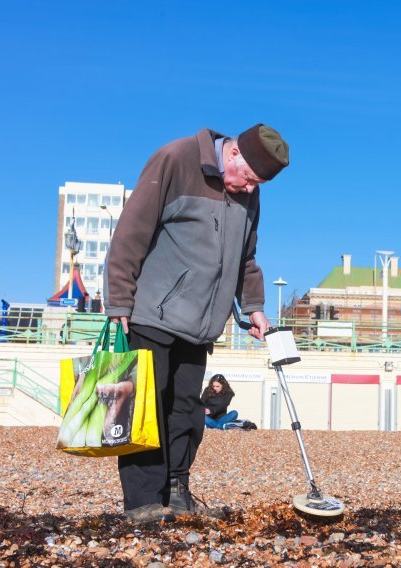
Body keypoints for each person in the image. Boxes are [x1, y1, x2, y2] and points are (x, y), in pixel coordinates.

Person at [104, 125, 289, 523]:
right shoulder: (175, 159)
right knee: (147, 410)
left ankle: (176, 489)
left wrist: (253, 305)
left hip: (202, 324)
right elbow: (130, 231)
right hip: (153, 314)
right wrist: (118, 298)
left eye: (259, 184)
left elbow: (245, 257)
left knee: (188, 411)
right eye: (250, 178)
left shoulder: (247, 193)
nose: (250, 189)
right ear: (235, 154)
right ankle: (142, 502)